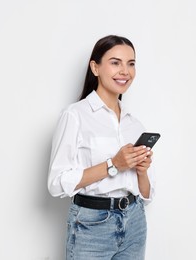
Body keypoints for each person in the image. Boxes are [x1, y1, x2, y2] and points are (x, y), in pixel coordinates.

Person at [48, 35, 156, 260]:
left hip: (135, 221)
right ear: (95, 68)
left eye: (131, 63)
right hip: (92, 226)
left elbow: (146, 194)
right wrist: (113, 164)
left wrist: (142, 171)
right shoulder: (75, 116)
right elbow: (56, 183)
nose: (125, 71)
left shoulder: (134, 125)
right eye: (115, 62)